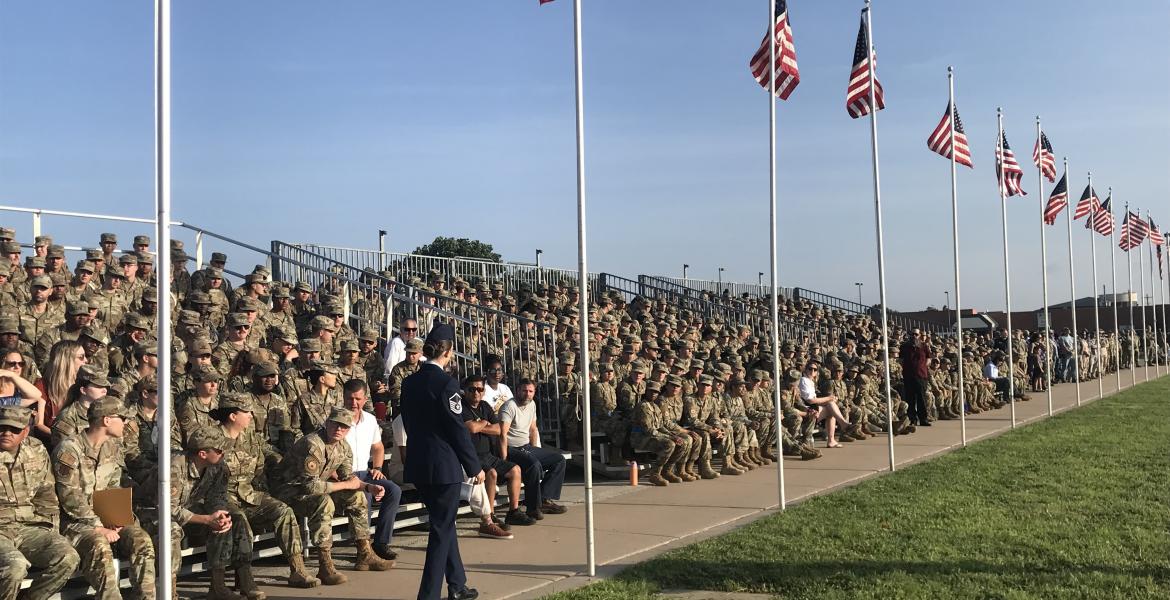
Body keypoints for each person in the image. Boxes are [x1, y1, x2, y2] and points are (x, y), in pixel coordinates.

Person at [400, 323, 482, 600]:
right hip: (443, 467)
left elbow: (408, 422)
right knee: (441, 529)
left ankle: (457, 585)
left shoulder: (409, 382)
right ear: (448, 352)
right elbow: (456, 428)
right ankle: (429, 595)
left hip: (419, 462)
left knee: (444, 525)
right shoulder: (447, 384)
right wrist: (474, 466)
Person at [273, 406, 393, 584]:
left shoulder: (343, 447)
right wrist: (347, 484)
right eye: (335, 424)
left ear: (348, 430)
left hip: (314, 488)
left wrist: (368, 487)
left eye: (344, 426)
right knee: (324, 502)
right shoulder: (313, 444)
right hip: (289, 490)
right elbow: (310, 487)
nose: (339, 429)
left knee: (357, 497)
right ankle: (325, 565)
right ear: (327, 423)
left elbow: (348, 478)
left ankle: (365, 554)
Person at [53, 396, 157, 600]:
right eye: (122, 418)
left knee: (141, 540)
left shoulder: (112, 447)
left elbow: (113, 485)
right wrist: (98, 525)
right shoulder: (69, 449)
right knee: (100, 545)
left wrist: (116, 518)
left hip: (105, 517)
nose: (126, 423)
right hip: (75, 522)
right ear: (107, 420)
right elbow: (70, 497)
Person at [0, 405, 81, 600]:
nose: (7, 433)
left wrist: (51, 531)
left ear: (25, 431)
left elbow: (46, 494)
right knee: (15, 566)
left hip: (29, 527)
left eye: (14, 429)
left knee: (68, 557)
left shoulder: (35, 449)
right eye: (2, 428)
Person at [341, 378, 404, 561]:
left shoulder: (369, 420)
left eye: (358, 399)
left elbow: (378, 447)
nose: (354, 403)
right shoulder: (336, 419)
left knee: (394, 490)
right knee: (366, 495)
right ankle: (364, 547)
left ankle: (381, 542)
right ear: (343, 398)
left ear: (365, 399)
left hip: (365, 471)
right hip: (344, 475)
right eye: (350, 398)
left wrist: (377, 467)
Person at [461, 374, 529, 530]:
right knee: (491, 473)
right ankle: (490, 515)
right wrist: (484, 423)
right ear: (465, 390)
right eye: (472, 389)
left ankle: (513, 511)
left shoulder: (485, 406)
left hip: (488, 454)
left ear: (484, 391)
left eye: (480, 389)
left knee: (515, 470)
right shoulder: (461, 407)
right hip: (471, 456)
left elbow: (499, 429)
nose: (476, 393)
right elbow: (471, 428)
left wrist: (480, 424)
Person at [499, 379, 568, 520]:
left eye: (530, 391)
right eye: (524, 390)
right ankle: (532, 508)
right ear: (517, 391)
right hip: (511, 448)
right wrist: (504, 459)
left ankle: (544, 499)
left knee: (559, 460)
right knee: (533, 465)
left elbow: (533, 429)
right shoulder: (509, 406)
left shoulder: (532, 404)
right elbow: (502, 434)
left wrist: (535, 450)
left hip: (526, 447)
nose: (527, 394)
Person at [798, 362, 853, 449]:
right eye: (810, 369)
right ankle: (842, 426)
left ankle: (835, 436)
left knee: (831, 406)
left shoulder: (810, 381)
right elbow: (810, 400)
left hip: (811, 408)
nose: (812, 371)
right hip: (805, 410)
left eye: (815, 369)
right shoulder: (804, 380)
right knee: (831, 407)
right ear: (805, 370)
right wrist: (829, 398)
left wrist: (830, 399)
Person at [899, 329, 932, 426]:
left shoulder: (924, 346)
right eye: (912, 334)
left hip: (921, 375)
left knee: (922, 398)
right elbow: (901, 359)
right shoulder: (904, 346)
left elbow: (929, 357)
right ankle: (912, 419)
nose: (914, 336)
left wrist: (923, 365)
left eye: (916, 334)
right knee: (910, 398)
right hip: (908, 375)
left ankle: (923, 419)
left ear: (920, 335)